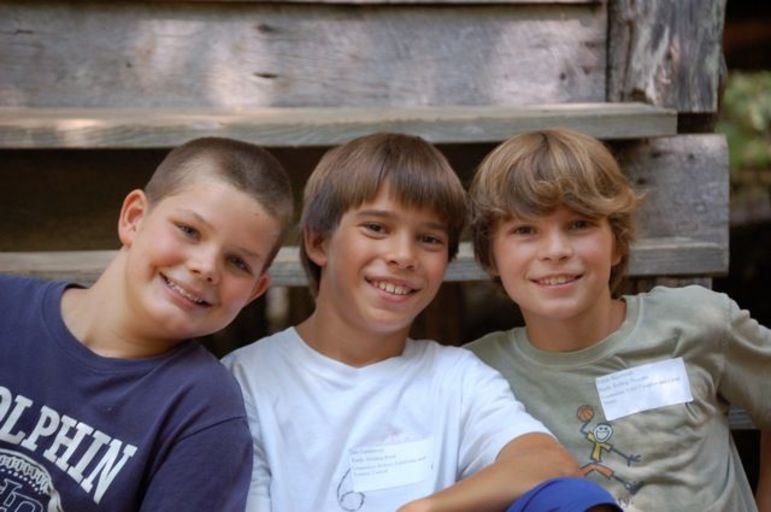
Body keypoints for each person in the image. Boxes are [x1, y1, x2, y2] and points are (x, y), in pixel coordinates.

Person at [223, 132, 621, 512]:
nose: (402, 255)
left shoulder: (457, 378)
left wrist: (424, 508)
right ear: (318, 242)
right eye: (376, 228)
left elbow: (549, 464)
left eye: (428, 239)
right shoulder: (245, 380)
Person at [465, 128, 771, 511]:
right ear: (490, 256)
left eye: (580, 224)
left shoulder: (697, 321)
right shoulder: (472, 374)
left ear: (618, 241)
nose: (556, 250)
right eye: (525, 230)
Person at [0, 137, 294, 511]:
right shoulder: (5, 307)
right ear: (134, 218)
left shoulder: (204, 413)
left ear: (255, 291)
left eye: (237, 262)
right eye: (189, 230)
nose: (206, 267)